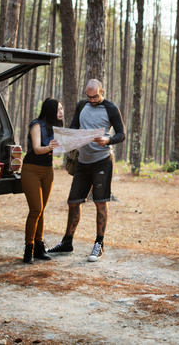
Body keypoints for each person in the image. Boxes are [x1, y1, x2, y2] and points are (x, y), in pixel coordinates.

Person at [48, 79, 124, 262]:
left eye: (95, 96)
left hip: (102, 161)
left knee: (100, 202)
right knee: (73, 201)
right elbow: (74, 127)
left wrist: (108, 140)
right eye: (89, 97)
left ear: (102, 91)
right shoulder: (82, 105)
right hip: (83, 161)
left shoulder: (111, 108)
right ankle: (67, 242)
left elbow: (121, 134)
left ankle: (99, 244)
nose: (92, 100)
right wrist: (69, 138)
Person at [22, 98, 61, 263]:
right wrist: (50, 147)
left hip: (48, 171)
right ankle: (28, 248)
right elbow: (37, 149)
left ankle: (39, 246)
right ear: (51, 110)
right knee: (35, 209)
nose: (61, 112)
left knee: (42, 210)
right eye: (59, 109)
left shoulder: (55, 128)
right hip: (31, 169)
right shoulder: (37, 125)